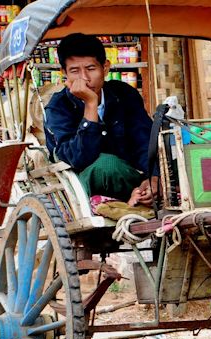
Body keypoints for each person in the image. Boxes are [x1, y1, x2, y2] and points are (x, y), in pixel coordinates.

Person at [44, 33, 154, 208]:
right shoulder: (58, 107)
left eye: (91, 68)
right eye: (74, 71)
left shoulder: (124, 94)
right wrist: (90, 104)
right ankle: (126, 199)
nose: (85, 78)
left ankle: (139, 194)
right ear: (64, 73)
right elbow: (79, 159)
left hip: (128, 177)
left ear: (105, 68)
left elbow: (144, 142)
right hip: (83, 186)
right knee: (106, 165)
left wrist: (152, 178)